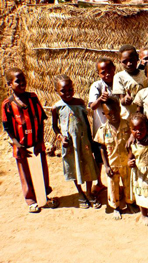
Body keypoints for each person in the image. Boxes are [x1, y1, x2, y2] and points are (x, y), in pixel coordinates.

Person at [2, 68, 59, 213]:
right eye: (17, 81)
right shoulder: (8, 104)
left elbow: (40, 120)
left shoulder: (33, 98)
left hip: (36, 143)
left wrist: (40, 141)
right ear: (9, 84)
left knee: (41, 171)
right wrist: (17, 144)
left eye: (23, 80)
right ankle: (31, 200)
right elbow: (7, 127)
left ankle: (44, 197)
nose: (22, 83)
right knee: (25, 173)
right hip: (20, 145)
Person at [52, 74, 100, 209]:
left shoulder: (80, 102)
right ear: (56, 91)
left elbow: (85, 122)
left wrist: (90, 140)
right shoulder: (56, 107)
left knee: (88, 165)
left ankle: (89, 192)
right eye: (63, 91)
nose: (67, 93)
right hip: (70, 145)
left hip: (84, 142)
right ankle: (80, 193)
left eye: (70, 89)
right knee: (74, 167)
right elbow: (54, 127)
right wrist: (61, 138)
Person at [94, 97, 134, 220]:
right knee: (113, 187)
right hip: (113, 164)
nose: (113, 116)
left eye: (115, 112)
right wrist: (106, 166)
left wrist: (131, 158)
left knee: (129, 185)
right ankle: (116, 207)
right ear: (104, 114)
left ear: (119, 109)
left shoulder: (128, 125)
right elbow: (102, 148)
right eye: (109, 114)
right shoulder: (103, 130)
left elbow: (133, 144)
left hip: (126, 162)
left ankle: (130, 203)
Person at [88, 57, 116, 195]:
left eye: (110, 70)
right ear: (99, 74)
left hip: (115, 127)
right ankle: (98, 182)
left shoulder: (119, 83)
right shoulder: (97, 86)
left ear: (114, 69)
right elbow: (92, 106)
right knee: (99, 156)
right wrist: (100, 98)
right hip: (101, 127)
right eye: (103, 72)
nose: (107, 74)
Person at [113, 45, 148, 120]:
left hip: (145, 117)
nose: (129, 64)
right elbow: (122, 100)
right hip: (127, 118)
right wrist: (125, 100)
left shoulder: (146, 74)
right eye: (124, 62)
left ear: (137, 58)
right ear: (120, 62)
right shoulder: (119, 77)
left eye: (131, 60)